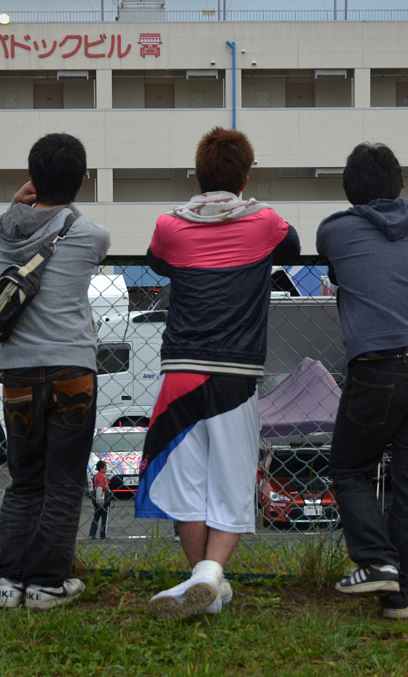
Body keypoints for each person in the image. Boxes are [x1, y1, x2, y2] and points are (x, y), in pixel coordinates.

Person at [135, 127, 300, 619]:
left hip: (181, 369)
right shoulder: (265, 222)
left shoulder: (169, 224)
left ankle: (203, 587)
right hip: (236, 373)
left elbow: (157, 262)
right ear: (245, 178)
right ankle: (210, 577)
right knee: (230, 482)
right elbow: (291, 247)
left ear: (198, 175)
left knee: (187, 486)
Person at [317, 142, 408, 621]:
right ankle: (403, 596)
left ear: (349, 193)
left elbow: (341, 269)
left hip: (376, 366)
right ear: (400, 186)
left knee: (351, 469)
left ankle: (377, 562)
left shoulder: (334, 230)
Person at [0, 133, 111, 610]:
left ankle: (8, 584)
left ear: (32, 180)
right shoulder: (90, 235)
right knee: (63, 482)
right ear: (81, 180)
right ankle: (45, 584)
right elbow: (77, 230)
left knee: (25, 481)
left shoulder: (0, 231)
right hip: (72, 370)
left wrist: (18, 203)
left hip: (17, 371)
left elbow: (6, 223)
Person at [89, 461, 111, 540]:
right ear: (101, 469)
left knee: (96, 516)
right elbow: (99, 488)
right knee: (104, 517)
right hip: (102, 497)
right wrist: (99, 500)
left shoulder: (96, 476)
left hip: (96, 498)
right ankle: (103, 535)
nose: (106, 469)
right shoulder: (102, 477)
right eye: (105, 468)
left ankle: (92, 534)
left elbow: (97, 487)